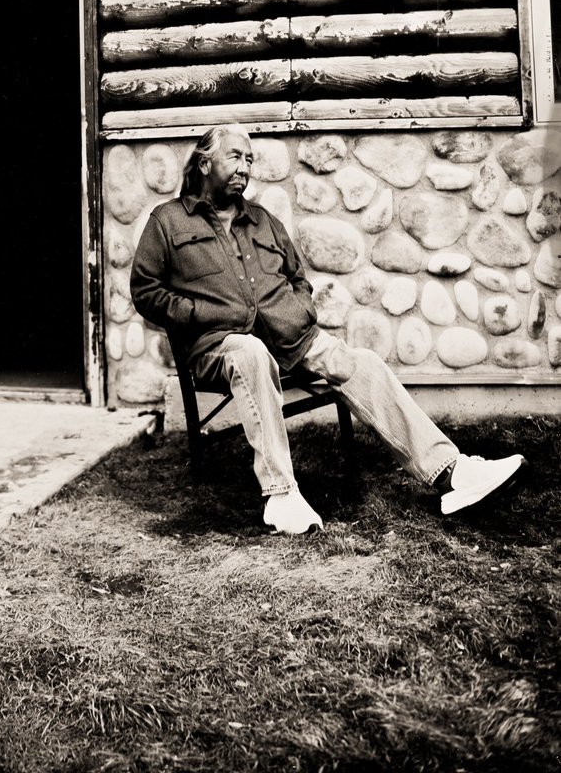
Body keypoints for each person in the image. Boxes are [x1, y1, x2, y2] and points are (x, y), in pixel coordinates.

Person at [130, 124, 527, 535]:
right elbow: (145, 291)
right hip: (220, 343)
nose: (245, 168)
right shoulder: (168, 221)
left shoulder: (262, 221)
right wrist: (195, 313)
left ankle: (451, 471)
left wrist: (299, 310)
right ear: (204, 161)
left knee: (362, 363)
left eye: (249, 160)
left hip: (291, 338)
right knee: (250, 354)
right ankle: (281, 495)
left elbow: (298, 278)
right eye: (235, 157)